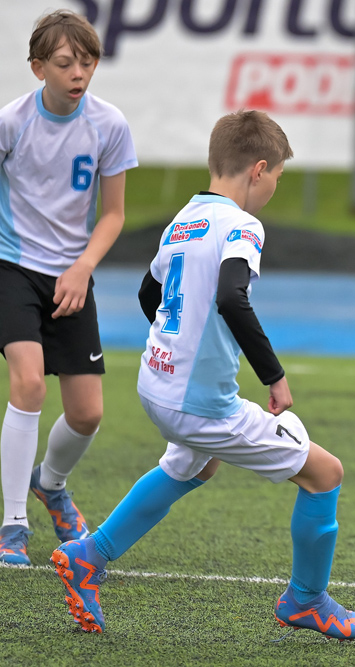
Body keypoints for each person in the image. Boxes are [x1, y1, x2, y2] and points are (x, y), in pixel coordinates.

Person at [50, 110, 355, 641]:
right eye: (277, 177)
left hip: (157, 384)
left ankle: (89, 556)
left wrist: (175, 347)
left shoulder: (184, 218)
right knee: (325, 474)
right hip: (199, 403)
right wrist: (274, 376)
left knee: (194, 466)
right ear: (259, 169)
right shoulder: (243, 225)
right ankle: (307, 600)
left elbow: (149, 293)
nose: (273, 187)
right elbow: (231, 296)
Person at [0, 10, 137, 565]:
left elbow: (114, 214)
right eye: (64, 63)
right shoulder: (11, 123)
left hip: (72, 275)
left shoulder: (110, 125)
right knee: (29, 383)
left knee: (86, 414)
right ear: (38, 68)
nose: (78, 73)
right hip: (11, 267)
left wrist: (82, 268)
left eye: (87, 61)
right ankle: (12, 525)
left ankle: (50, 484)